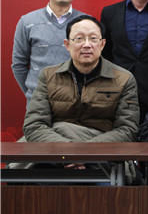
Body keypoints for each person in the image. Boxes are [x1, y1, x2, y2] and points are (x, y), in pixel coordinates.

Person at [23, 15, 139, 143]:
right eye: (79, 39)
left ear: (102, 44)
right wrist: (67, 150)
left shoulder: (124, 79)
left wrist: (86, 151)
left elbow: (127, 129)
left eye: (93, 39)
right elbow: (34, 125)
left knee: (59, 129)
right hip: (55, 146)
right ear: (67, 44)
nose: (87, 45)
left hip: (101, 148)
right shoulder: (48, 76)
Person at [12, 0, 85, 105]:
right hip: (39, 103)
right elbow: (19, 65)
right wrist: (33, 93)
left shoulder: (86, 22)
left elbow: (93, 63)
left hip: (76, 103)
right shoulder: (27, 22)